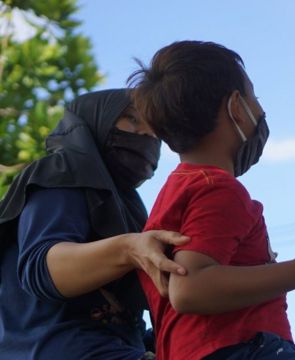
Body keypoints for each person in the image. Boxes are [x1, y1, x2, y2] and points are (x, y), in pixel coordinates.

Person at [128, 40, 295, 360]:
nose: (259, 109)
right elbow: (190, 288)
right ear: (236, 108)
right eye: (254, 97)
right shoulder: (218, 189)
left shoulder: (177, 189)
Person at [0, 89, 191, 359]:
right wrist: (128, 249)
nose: (148, 135)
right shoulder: (62, 171)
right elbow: (43, 268)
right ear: (96, 121)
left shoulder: (127, 207)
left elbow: (129, 323)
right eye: (132, 119)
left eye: (155, 131)